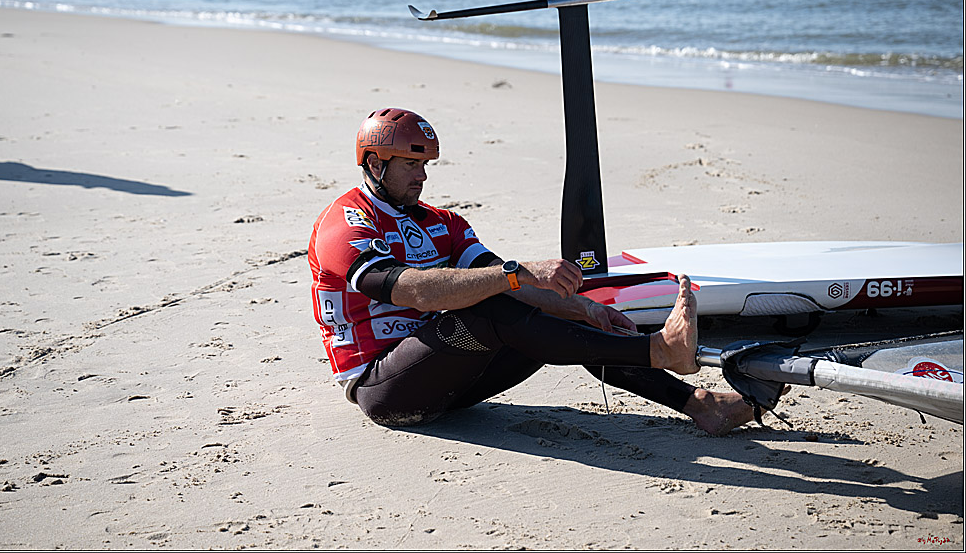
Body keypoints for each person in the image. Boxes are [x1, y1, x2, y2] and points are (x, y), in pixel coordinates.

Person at [308, 107, 755, 435]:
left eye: (425, 165)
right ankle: (658, 351)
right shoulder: (345, 221)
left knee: (548, 308)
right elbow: (412, 292)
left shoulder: (441, 221)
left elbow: (502, 280)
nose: (422, 176)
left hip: (452, 374)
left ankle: (699, 404)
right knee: (490, 306)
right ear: (373, 163)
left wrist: (583, 309)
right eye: (410, 164)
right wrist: (517, 274)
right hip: (386, 387)